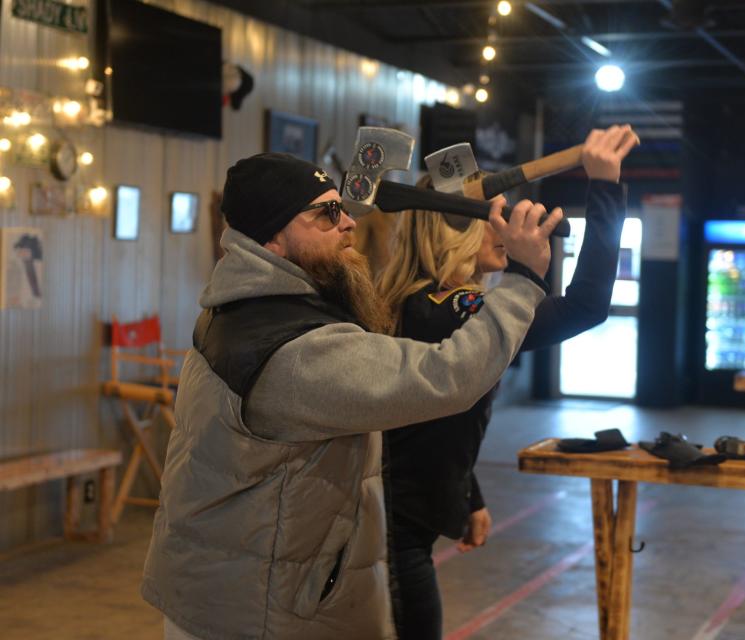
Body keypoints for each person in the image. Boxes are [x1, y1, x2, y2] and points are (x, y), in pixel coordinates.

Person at [139, 151, 564, 640]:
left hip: (229, 591)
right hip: (259, 613)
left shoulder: (241, 309)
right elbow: (446, 377)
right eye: (325, 213)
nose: (348, 225)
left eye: (342, 207)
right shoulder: (295, 348)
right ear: (273, 238)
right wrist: (525, 281)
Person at [376, 124, 638, 640]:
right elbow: (586, 306)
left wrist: (467, 494)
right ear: (456, 230)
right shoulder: (444, 309)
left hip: (406, 515)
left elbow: (438, 410)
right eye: (488, 217)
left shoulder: (428, 305)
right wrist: (604, 188)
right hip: (395, 526)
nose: (501, 226)